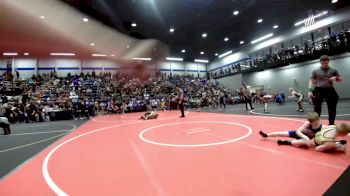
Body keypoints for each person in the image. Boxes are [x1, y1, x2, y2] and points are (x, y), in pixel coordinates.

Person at [308, 55, 342, 125]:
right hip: (318, 90)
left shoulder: (333, 70)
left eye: (326, 63)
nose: (324, 65)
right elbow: (311, 81)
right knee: (317, 108)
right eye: (322, 63)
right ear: (320, 62)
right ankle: (315, 123)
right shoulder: (315, 71)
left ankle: (331, 123)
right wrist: (310, 90)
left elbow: (340, 79)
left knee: (332, 108)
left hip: (329, 89)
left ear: (328, 62)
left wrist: (335, 78)